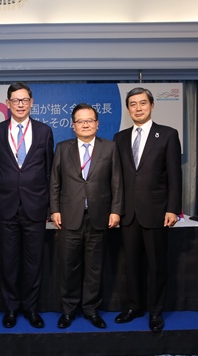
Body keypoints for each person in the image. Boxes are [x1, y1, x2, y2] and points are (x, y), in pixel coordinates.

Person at [112, 87, 182, 332]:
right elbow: (117, 178)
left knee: (156, 265)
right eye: (133, 104)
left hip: (156, 212)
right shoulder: (119, 138)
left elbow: (175, 175)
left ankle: (155, 311)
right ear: (128, 108)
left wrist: (173, 208)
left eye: (143, 103)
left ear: (152, 106)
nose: (138, 108)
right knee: (131, 264)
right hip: (128, 214)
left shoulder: (167, 135)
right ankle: (134, 306)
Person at [50, 103, 123, 329]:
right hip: (69, 217)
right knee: (68, 266)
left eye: (89, 120)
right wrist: (54, 210)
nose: (85, 124)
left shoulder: (109, 148)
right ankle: (69, 310)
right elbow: (54, 181)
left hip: (99, 216)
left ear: (97, 124)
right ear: (73, 126)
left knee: (94, 267)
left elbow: (117, 182)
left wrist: (116, 211)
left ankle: (91, 309)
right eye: (80, 121)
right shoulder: (62, 148)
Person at [0, 82, 54, 329]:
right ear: (7, 103)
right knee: (8, 262)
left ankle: (32, 309)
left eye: (24, 100)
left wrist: (50, 205)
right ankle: (11, 309)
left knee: (33, 262)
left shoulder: (44, 131)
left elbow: (50, 171)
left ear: (31, 102)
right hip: (6, 207)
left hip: (36, 207)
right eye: (15, 100)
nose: (20, 104)